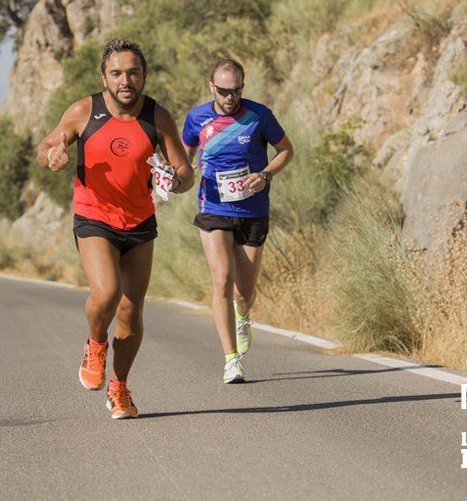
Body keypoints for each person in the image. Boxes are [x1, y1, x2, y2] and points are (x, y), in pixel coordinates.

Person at [37, 39, 194, 419]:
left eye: (133, 73)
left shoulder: (158, 117)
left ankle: (120, 387)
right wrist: (53, 156)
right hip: (94, 217)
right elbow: (47, 146)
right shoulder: (83, 111)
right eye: (117, 73)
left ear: (144, 76)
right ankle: (95, 344)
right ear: (104, 76)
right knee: (107, 294)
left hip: (140, 221)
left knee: (131, 312)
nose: (126, 80)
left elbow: (185, 169)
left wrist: (175, 179)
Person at [181, 59, 294, 384]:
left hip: (253, 209)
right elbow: (185, 158)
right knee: (221, 280)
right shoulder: (196, 117)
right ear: (211, 86)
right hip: (213, 206)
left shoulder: (259, 115)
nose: (230, 97)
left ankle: (243, 316)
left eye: (237, 91)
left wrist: (265, 174)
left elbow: (286, 150)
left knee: (243, 291)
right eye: (224, 91)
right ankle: (231, 359)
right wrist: (175, 177)